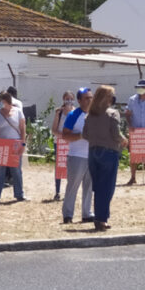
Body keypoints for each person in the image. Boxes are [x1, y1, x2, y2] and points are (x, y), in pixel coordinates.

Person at [83, 85, 128, 231]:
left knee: (98, 187)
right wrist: (124, 140)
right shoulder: (112, 114)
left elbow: (85, 135)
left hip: (93, 152)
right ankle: (101, 219)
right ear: (107, 98)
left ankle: (99, 217)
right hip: (109, 153)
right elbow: (115, 134)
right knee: (107, 187)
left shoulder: (90, 115)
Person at [60, 87, 95, 224]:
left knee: (89, 186)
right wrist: (81, 135)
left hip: (91, 155)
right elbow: (65, 135)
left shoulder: (95, 115)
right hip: (76, 156)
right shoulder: (73, 115)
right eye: (86, 98)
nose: (90, 100)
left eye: (91, 97)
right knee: (73, 186)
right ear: (79, 100)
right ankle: (68, 214)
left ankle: (87, 213)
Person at [0, 91, 27, 204]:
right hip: (1, 146)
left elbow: (22, 128)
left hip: (15, 145)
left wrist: (23, 144)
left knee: (16, 171)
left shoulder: (18, 112)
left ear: (7, 101)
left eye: (1, 101)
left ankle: (19, 194)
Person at [51, 91, 76, 200]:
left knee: (71, 168)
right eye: (67, 98)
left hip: (72, 143)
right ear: (63, 99)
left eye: (71, 98)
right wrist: (61, 135)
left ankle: (70, 191)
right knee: (59, 167)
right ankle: (57, 191)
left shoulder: (76, 112)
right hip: (59, 143)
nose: (69, 100)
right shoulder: (59, 112)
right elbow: (54, 130)